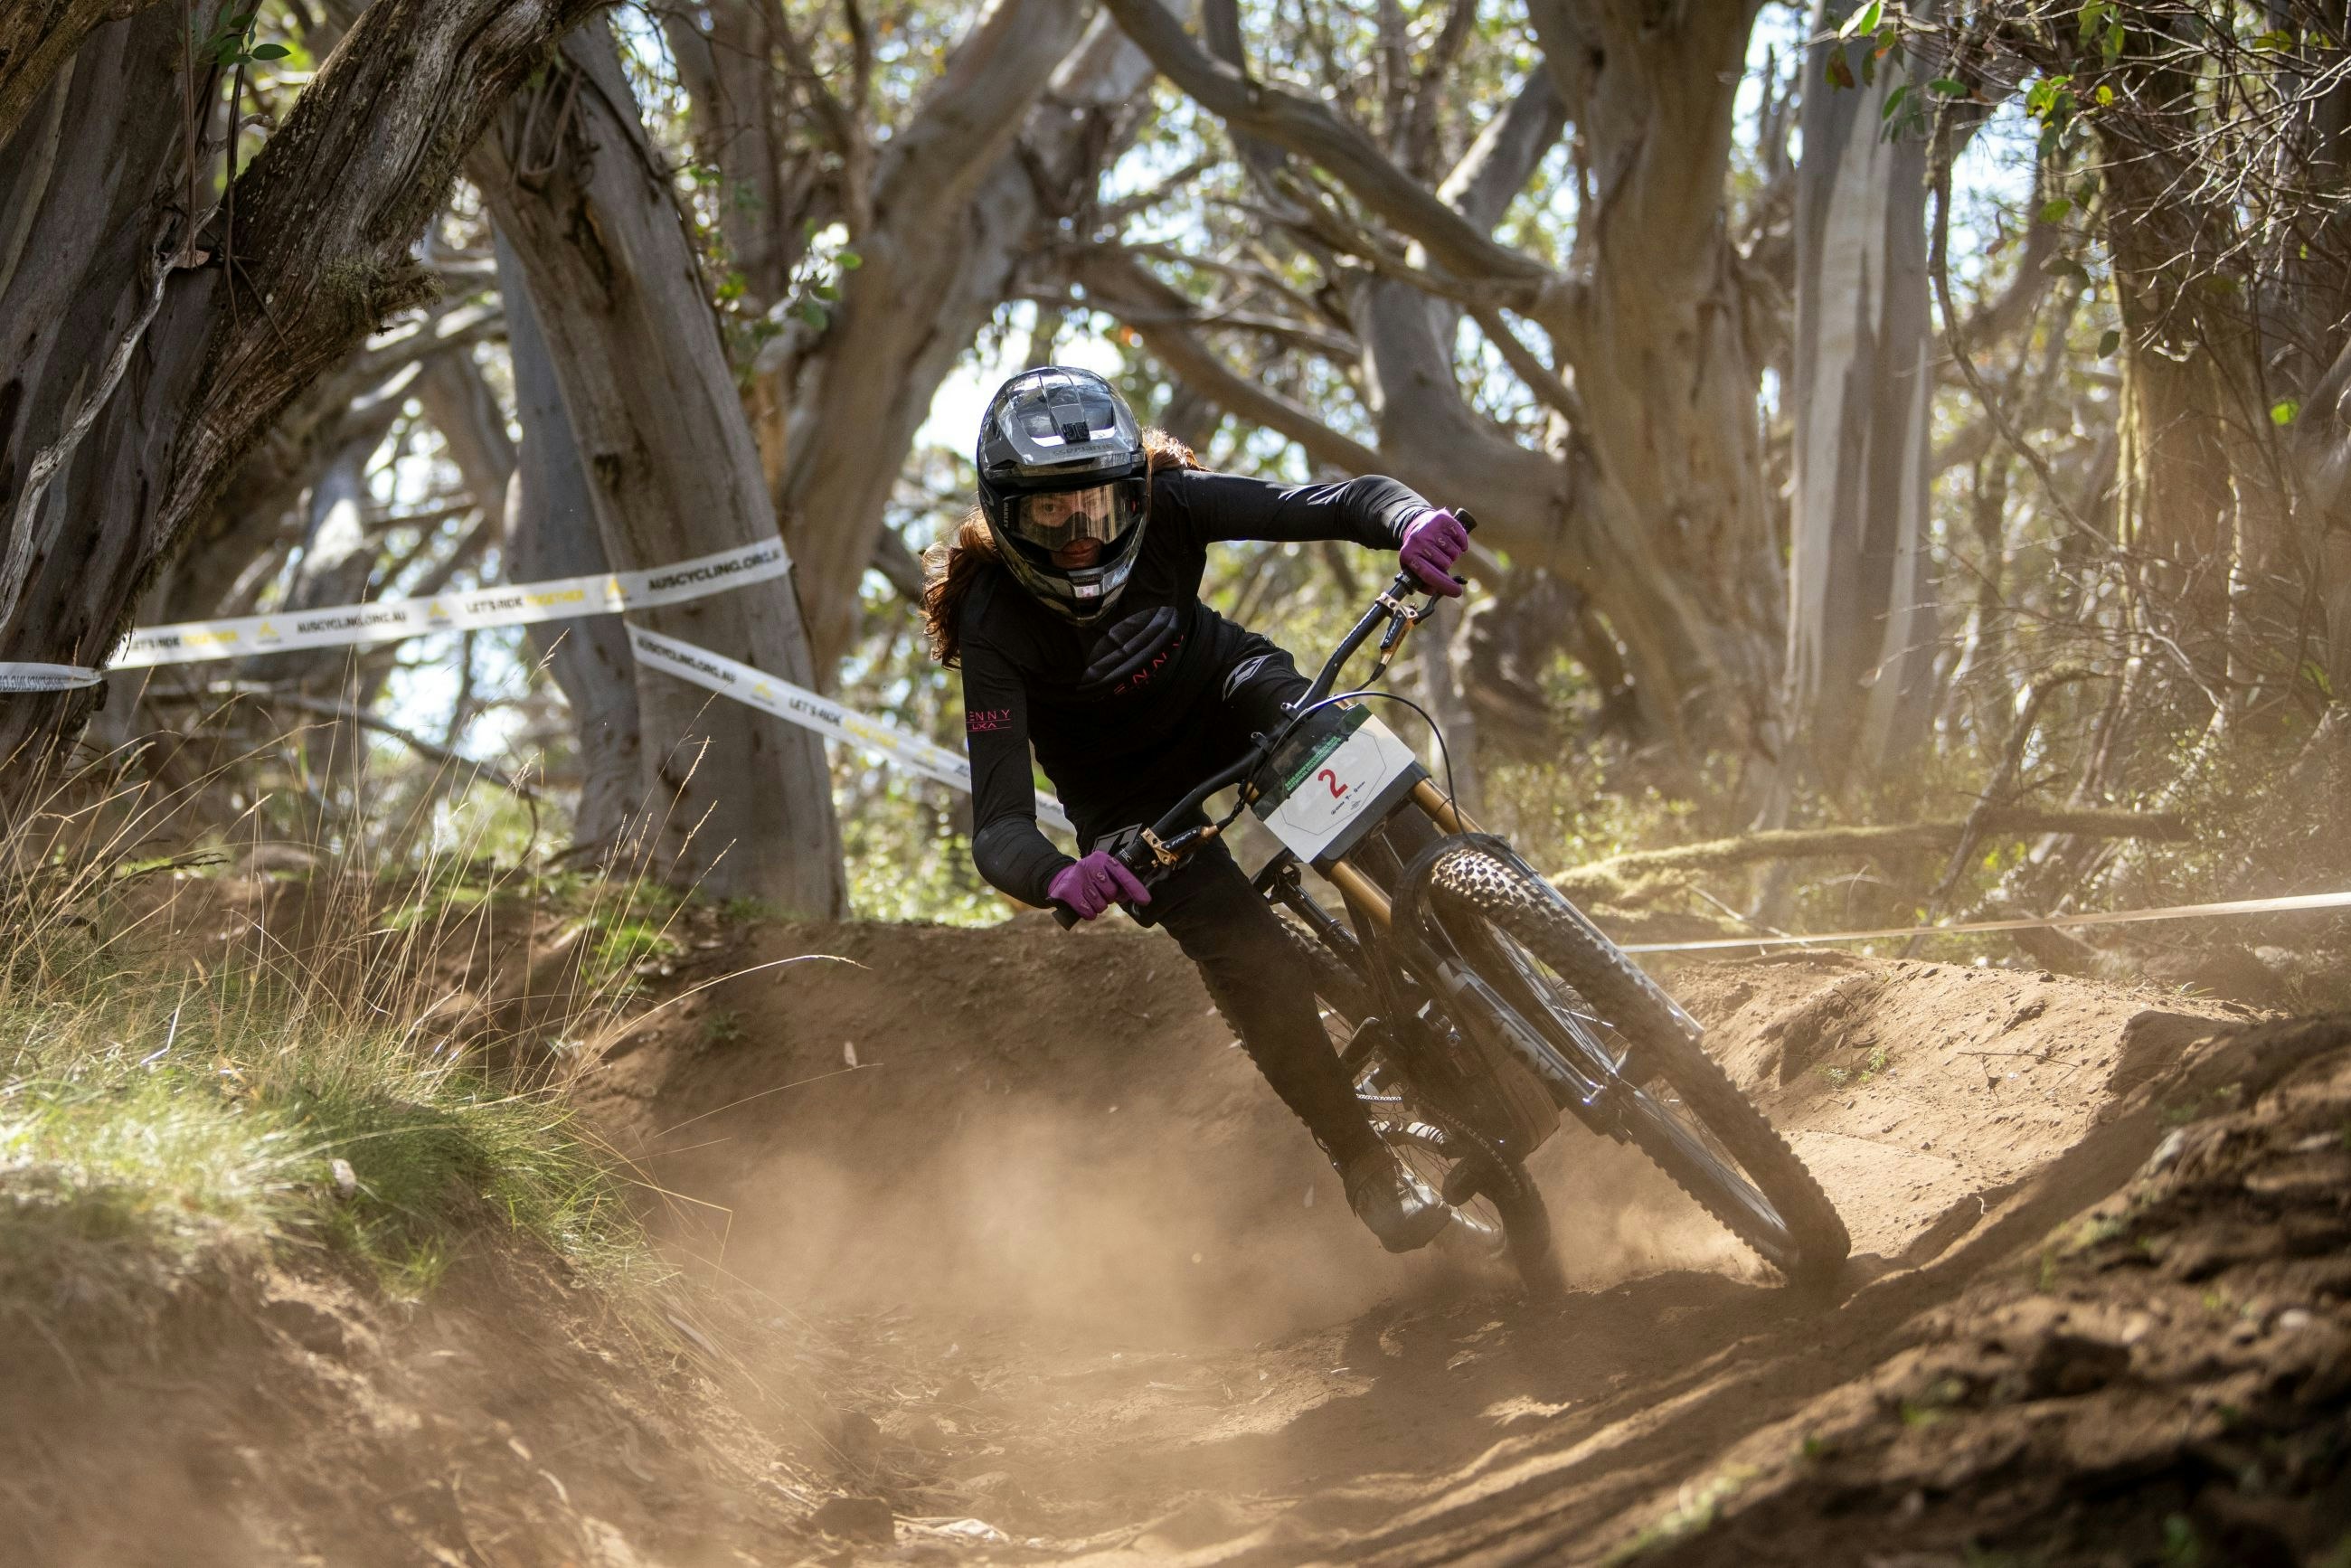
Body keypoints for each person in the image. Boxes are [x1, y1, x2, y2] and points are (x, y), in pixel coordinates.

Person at [921, 366, 1472, 1253]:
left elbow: (1345, 499)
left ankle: (1500, 951)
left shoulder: (1175, 504)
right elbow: (997, 826)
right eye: (1047, 517)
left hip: (1225, 690)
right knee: (1253, 962)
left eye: (1096, 508)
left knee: (1346, 757)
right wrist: (1062, 872)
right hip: (1128, 799)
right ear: (1003, 516)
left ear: (1132, 493)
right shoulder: (993, 623)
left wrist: (1411, 522)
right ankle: (1365, 1167)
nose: (1076, 539)